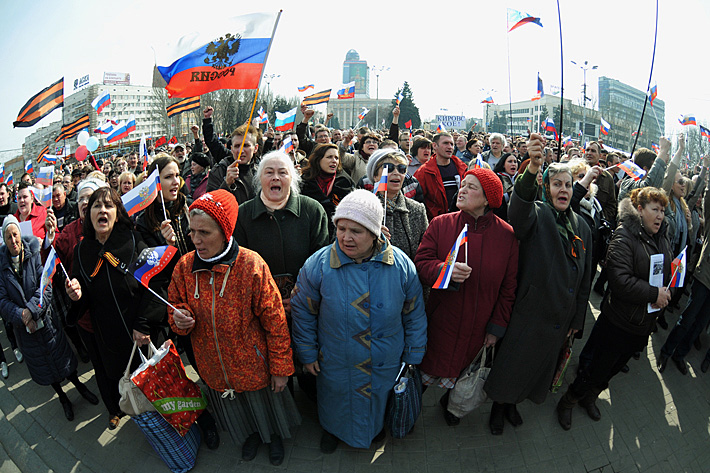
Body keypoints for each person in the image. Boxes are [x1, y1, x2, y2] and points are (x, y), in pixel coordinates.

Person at [169, 190, 300, 466]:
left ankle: (273, 438)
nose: (195, 240)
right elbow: (174, 308)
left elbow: (276, 321)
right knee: (236, 412)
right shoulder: (184, 267)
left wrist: (280, 369)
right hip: (215, 368)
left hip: (253, 367)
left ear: (225, 231)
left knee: (266, 410)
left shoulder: (250, 265)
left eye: (204, 232)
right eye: (192, 231)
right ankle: (251, 436)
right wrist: (180, 319)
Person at [291, 189, 427, 453]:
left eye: (356, 230)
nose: (346, 237)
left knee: (378, 397)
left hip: (385, 359)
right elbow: (303, 312)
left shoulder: (401, 266)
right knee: (335, 398)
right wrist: (307, 353)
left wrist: (414, 354)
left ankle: (373, 429)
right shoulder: (318, 265)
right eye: (341, 228)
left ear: (374, 233)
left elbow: (414, 313)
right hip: (335, 360)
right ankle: (332, 429)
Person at [484, 134, 593, 430]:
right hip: (529, 313)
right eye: (556, 184)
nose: (563, 189)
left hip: (559, 319)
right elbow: (518, 211)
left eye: (568, 184)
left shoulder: (582, 226)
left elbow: (585, 278)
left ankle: (513, 404)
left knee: (535, 368)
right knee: (512, 364)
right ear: (546, 188)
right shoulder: (538, 214)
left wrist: (577, 319)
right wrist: (532, 168)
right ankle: (498, 407)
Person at [558, 187, 672, 430]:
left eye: (663, 211)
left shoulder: (661, 236)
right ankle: (569, 400)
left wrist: (667, 288)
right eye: (655, 209)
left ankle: (590, 396)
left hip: (643, 323)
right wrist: (654, 294)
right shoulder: (624, 236)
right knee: (595, 368)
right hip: (618, 322)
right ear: (639, 210)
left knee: (614, 369)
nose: (660, 216)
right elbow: (620, 280)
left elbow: (664, 270)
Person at [415, 168, 518, 429]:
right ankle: (407, 412)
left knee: (463, 375)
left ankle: (453, 407)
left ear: (488, 199)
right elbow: (421, 264)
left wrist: (496, 328)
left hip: (478, 328)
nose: (462, 190)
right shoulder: (441, 224)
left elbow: (508, 288)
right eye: (463, 185)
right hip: (441, 322)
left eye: (472, 187)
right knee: (424, 375)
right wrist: (444, 271)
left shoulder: (507, 235)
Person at [65, 188, 166, 429]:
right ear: (88, 215)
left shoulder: (133, 239)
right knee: (127, 388)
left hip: (142, 335)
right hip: (109, 340)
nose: (102, 210)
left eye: (108, 206)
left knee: (156, 386)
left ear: (117, 213)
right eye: (96, 206)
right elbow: (82, 299)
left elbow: (156, 284)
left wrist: (143, 324)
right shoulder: (82, 251)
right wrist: (76, 295)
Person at [0, 216, 99, 420]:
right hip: (25, 330)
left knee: (63, 360)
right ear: (4, 240)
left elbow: (44, 286)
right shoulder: (1, 267)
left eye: (15, 235)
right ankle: (63, 398)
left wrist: (30, 311)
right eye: (8, 237)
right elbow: (2, 301)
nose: (13, 240)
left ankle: (79, 386)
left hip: (46, 323)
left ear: (20, 234)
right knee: (45, 368)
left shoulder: (34, 253)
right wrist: (21, 316)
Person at [657, 157, 710, 374]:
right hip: (703, 277)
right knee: (687, 319)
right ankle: (666, 352)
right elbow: (705, 198)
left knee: (699, 324)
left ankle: (680, 355)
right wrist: (706, 171)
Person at [368, 149, 428, 260]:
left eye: (402, 169)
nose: (396, 173)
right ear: (375, 175)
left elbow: (425, 252)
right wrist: (368, 238)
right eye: (388, 168)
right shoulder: (361, 207)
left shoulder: (417, 209)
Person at [299, 143, 355, 240]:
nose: (334, 161)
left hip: (337, 235)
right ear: (318, 159)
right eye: (329, 157)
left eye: (336, 158)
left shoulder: (345, 182)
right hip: (310, 233)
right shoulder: (305, 182)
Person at [206, 119, 262, 205]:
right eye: (237, 146)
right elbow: (210, 205)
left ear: (255, 148)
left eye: (246, 145)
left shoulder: (261, 173)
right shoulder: (219, 171)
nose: (241, 150)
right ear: (231, 149)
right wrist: (226, 184)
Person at [414, 132, 467, 220]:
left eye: (452, 144)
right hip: (436, 221)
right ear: (434, 146)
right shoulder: (424, 172)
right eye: (445, 143)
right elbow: (416, 201)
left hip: (460, 219)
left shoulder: (462, 167)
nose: (450, 147)